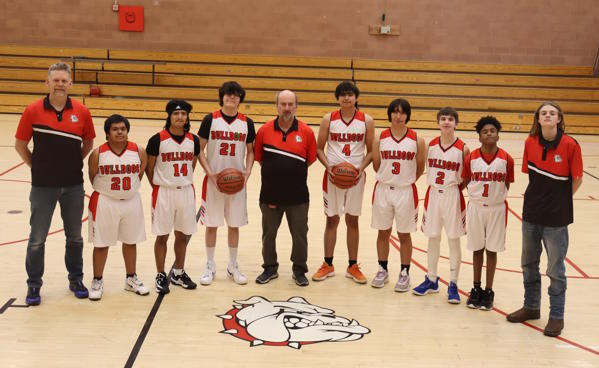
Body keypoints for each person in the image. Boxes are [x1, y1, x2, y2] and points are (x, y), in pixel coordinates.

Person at [15, 62, 96, 305]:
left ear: (70, 84)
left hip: (73, 185)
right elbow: (20, 145)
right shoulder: (33, 110)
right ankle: (33, 285)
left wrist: (72, 163)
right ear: (47, 83)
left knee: (75, 237)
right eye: (55, 80)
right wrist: (36, 167)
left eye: (64, 80)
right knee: (37, 238)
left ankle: (76, 279)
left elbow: (89, 143)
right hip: (43, 187)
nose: (60, 84)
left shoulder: (82, 111)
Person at [507, 102, 583, 337]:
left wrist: (559, 201)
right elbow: (531, 176)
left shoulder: (570, 145)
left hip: (556, 219)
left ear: (559, 118)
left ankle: (556, 316)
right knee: (528, 264)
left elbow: (577, 179)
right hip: (531, 213)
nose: (548, 116)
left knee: (555, 270)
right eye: (543, 113)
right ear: (538, 119)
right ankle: (531, 307)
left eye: (552, 113)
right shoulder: (530, 142)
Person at [311, 81, 374, 284]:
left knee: (352, 220)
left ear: (356, 97)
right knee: (332, 220)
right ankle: (328, 264)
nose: (346, 98)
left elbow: (372, 151)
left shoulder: (367, 120)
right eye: (342, 95)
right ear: (337, 98)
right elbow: (319, 148)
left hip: (356, 178)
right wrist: (328, 167)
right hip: (332, 177)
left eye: (350, 94)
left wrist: (361, 168)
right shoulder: (328, 119)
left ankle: (352, 265)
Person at [254, 90, 317, 287]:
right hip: (270, 194)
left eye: (291, 104)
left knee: (300, 235)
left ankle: (299, 269)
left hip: (298, 196)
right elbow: (259, 158)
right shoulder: (264, 130)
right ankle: (270, 268)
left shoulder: (306, 132)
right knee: (268, 234)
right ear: (277, 106)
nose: (287, 108)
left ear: (296, 107)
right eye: (283, 104)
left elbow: (310, 159)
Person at [197, 81, 255, 286]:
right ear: (222, 97)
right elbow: (199, 149)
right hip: (214, 182)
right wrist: (210, 173)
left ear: (240, 99)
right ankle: (210, 265)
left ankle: (232, 265)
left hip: (237, 183)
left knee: (234, 225)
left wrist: (247, 172)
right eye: (228, 95)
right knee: (211, 225)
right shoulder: (209, 119)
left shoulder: (247, 122)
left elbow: (251, 151)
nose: (232, 98)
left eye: (236, 95)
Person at [87, 114, 149, 300]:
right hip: (105, 201)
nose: (120, 132)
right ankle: (97, 280)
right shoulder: (98, 153)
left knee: (131, 241)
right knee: (101, 243)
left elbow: (140, 174)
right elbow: (92, 177)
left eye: (123, 128)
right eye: (115, 129)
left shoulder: (139, 151)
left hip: (131, 201)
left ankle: (131, 279)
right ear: (107, 133)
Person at [413, 107, 470, 304]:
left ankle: (453, 283)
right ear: (438, 123)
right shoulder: (431, 145)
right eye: (443, 119)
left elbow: (466, 178)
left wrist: (453, 189)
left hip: (453, 194)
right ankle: (431, 279)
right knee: (433, 238)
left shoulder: (463, 148)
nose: (446, 122)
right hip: (433, 194)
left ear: (456, 123)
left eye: (450, 119)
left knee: (454, 240)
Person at [370, 99, 426, 291]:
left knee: (404, 234)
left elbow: (420, 168)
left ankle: (404, 273)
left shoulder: (417, 140)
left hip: (405, 191)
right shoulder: (380, 138)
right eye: (395, 112)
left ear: (407, 115)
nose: (398, 116)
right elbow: (376, 164)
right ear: (390, 114)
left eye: (402, 113)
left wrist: (405, 180)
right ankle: (382, 269)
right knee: (383, 232)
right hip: (383, 189)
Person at [146, 99, 200, 294]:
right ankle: (161, 274)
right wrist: (159, 185)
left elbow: (192, 166)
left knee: (182, 234)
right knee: (162, 235)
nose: (180, 117)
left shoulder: (193, 140)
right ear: (169, 116)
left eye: (183, 114)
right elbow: (149, 168)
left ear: (187, 118)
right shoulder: (157, 139)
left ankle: (178, 272)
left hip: (185, 191)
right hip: (163, 192)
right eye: (176, 114)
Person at [461, 116, 514, 310]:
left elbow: (507, 183)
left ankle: (489, 290)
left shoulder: (507, 159)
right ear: (480, 137)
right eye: (485, 131)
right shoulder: (471, 158)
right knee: (477, 249)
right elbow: (465, 181)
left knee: (492, 249)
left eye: (492, 130)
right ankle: (476, 289)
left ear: (498, 135)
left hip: (497, 209)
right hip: (476, 207)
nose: (489, 133)